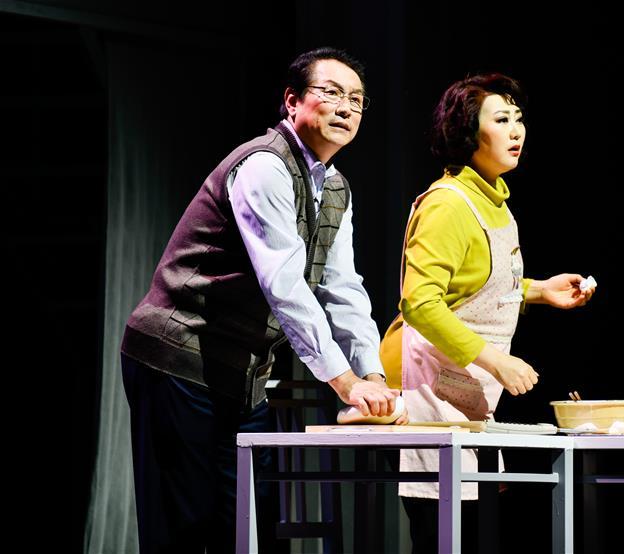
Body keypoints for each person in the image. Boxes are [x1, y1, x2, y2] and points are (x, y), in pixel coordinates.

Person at [120, 47, 402, 553]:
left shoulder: (335, 187)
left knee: (249, 524)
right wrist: (344, 383)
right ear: (292, 101)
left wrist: (372, 376)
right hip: (178, 357)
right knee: (185, 525)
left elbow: (342, 287)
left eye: (357, 100)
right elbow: (285, 286)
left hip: (242, 375)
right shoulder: (264, 166)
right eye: (331, 93)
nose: (346, 108)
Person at [379, 73, 596, 551]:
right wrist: (496, 360)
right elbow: (420, 303)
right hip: (429, 389)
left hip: (469, 390)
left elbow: (478, 286)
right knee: (442, 533)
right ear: (467, 133)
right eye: (501, 120)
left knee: (474, 529)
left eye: (519, 119)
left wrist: (539, 291)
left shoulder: (495, 201)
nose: (516, 131)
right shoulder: (448, 204)